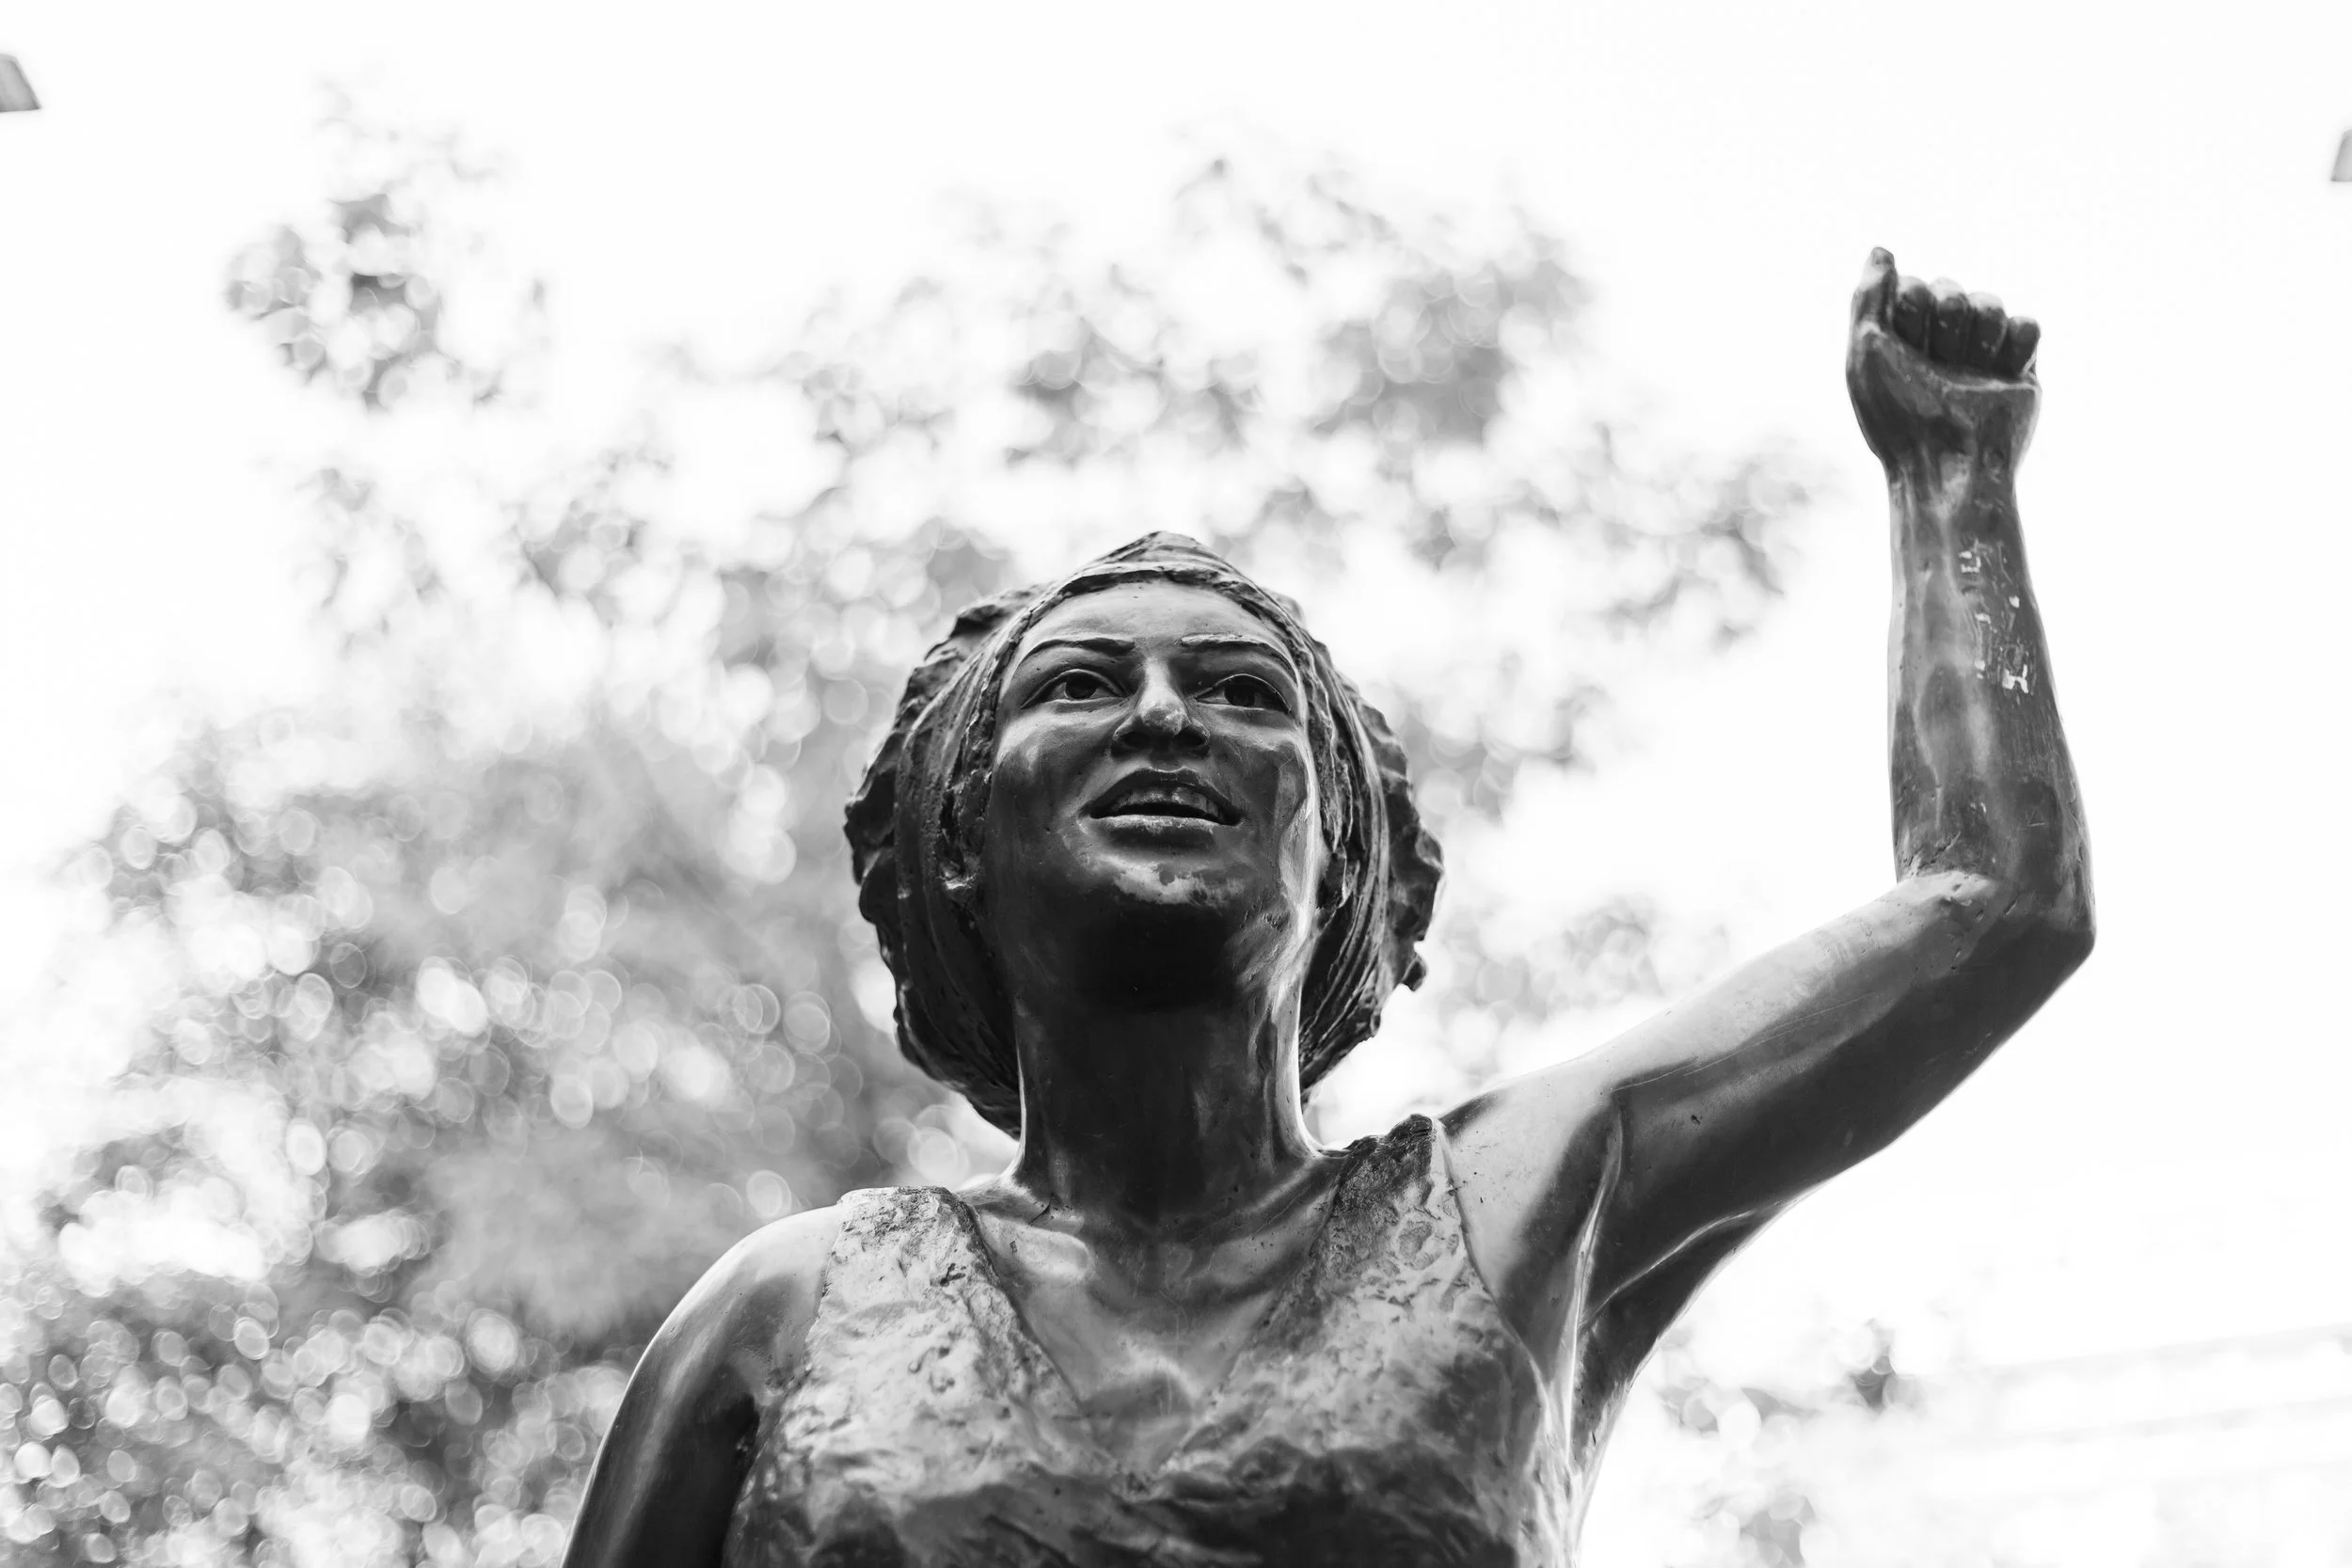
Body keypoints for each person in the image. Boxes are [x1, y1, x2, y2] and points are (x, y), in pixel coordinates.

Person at [561, 250, 2092, 1567]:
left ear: (1339, 850)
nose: (1165, 718)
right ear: (963, 837)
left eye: (1240, 694)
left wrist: (1952, 482)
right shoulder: (787, 1309)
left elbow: (1998, 906)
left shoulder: (1520, 1205)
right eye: (1083, 685)